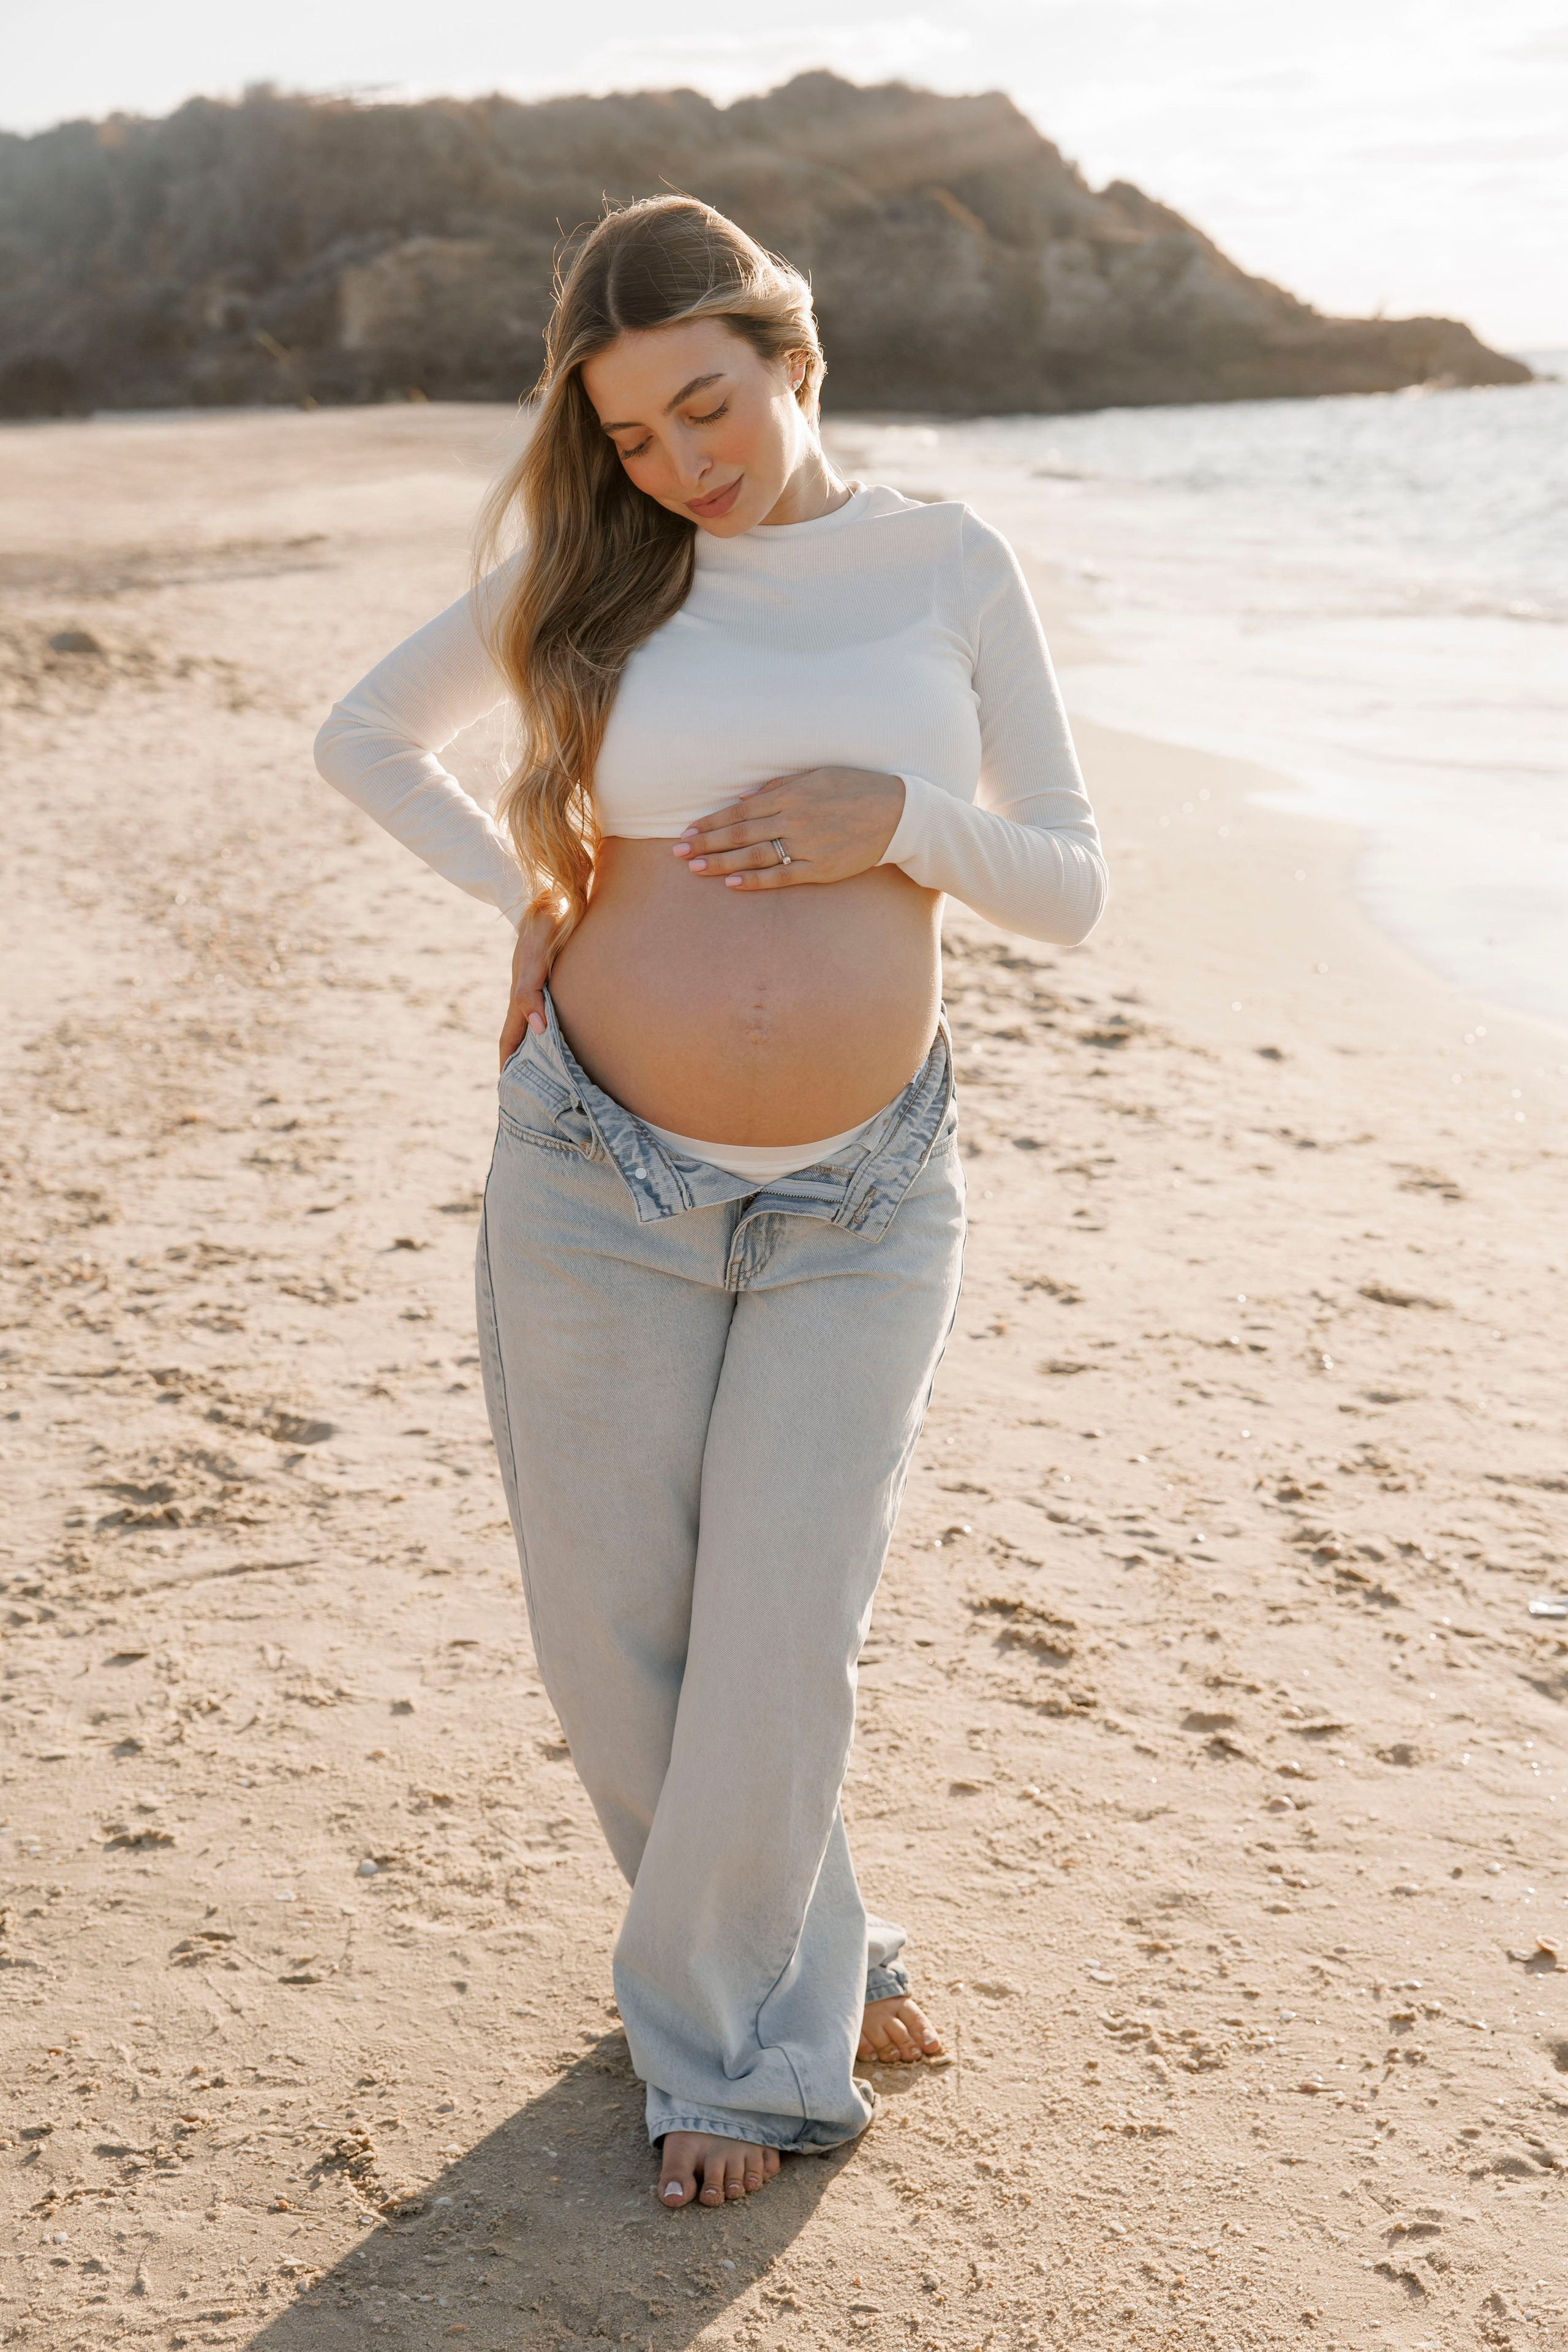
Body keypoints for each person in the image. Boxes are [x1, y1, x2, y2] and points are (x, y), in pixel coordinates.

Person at [315, 195, 1106, 2211]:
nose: (681, 465)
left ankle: (744, 2056)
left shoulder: (946, 558)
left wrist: (899, 824)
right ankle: (798, 1976)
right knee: (617, 1626)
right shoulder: (601, 568)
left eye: (707, 406)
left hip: (864, 1194)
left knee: (783, 1625)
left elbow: (1072, 883)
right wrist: (547, 898)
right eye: (637, 438)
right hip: (592, 1165)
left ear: (794, 356)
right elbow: (366, 742)